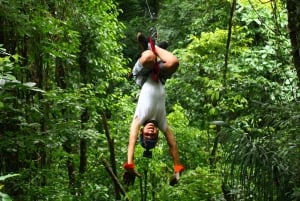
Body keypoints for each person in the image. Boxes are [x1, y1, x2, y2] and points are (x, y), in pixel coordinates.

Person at [123, 32, 184, 186]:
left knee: (149, 58)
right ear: (157, 134)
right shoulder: (162, 122)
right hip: (159, 76)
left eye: (146, 135)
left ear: (142, 133)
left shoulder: (140, 118)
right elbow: (172, 145)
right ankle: (153, 47)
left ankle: (149, 49)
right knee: (174, 63)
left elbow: (131, 140)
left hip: (143, 76)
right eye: (153, 136)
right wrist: (177, 168)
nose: (150, 132)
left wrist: (129, 164)